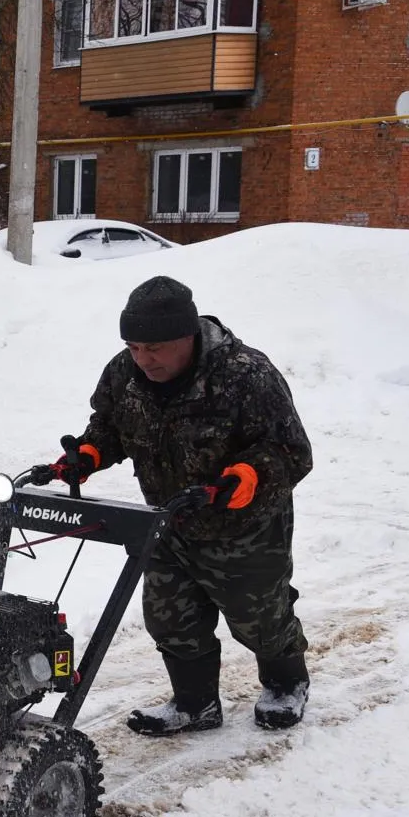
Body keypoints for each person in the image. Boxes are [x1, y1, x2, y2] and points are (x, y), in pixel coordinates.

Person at [49, 275, 313, 735]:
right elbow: (110, 425)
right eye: (133, 347)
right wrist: (89, 454)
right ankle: (195, 704)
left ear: (186, 336)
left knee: (260, 620)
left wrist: (248, 476)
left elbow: (290, 451)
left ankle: (286, 684)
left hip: (244, 527)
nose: (142, 359)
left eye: (154, 348)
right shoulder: (124, 374)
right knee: (170, 619)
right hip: (168, 521)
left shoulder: (245, 375)